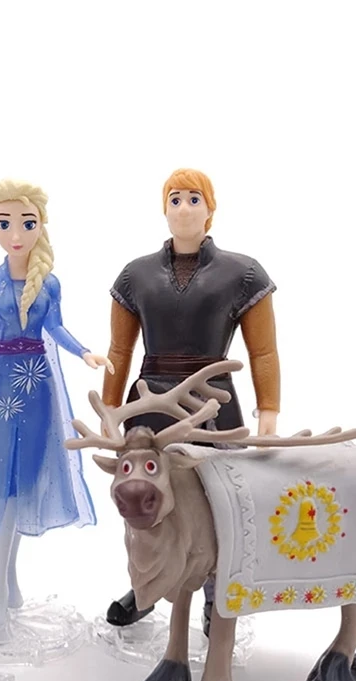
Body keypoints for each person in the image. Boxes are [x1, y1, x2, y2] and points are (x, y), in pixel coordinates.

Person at [102, 168, 281, 634]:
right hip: (150, 404)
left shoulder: (242, 274)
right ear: (164, 209)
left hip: (211, 404)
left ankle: (214, 589)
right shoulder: (136, 275)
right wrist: (109, 408)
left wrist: (269, 411)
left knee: (216, 500)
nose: (184, 208)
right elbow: (119, 351)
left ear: (210, 209)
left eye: (194, 199)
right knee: (142, 496)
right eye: (175, 199)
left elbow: (263, 351)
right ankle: (145, 583)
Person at [0, 178, 112, 632]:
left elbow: (55, 328)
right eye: (5, 224)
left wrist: (84, 352)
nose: (16, 234)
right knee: (0, 486)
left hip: (38, 391)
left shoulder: (49, 283)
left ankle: (8, 580)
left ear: (41, 225)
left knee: (24, 483)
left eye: (27, 223)